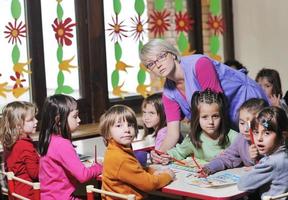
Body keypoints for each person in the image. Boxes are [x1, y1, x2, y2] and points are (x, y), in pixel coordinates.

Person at [139, 39, 269, 154]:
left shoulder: (199, 64)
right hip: (220, 120)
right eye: (151, 64)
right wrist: (158, 153)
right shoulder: (168, 93)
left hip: (245, 100)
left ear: (172, 54)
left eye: (161, 57)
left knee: (262, 143)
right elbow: (173, 134)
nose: (158, 65)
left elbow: (216, 107)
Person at [100, 105, 174, 200]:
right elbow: (149, 184)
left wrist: (152, 171)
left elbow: (135, 170)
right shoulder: (120, 158)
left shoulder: (117, 149)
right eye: (119, 126)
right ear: (108, 132)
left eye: (130, 125)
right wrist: (168, 176)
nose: (127, 130)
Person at [38, 94, 102, 199]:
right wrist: (100, 167)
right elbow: (83, 175)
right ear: (58, 120)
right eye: (75, 116)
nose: (79, 120)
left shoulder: (50, 139)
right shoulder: (62, 144)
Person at [157, 89, 238, 164]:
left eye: (215, 116)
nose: (211, 122)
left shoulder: (234, 137)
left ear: (222, 116)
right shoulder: (192, 139)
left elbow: (246, 157)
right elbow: (178, 152)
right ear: (197, 118)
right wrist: (165, 157)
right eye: (204, 117)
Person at [201, 98, 269, 175]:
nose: (245, 129)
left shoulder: (270, 140)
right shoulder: (241, 139)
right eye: (242, 123)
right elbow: (228, 158)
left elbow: (278, 164)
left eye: (251, 124)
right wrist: (209, 168)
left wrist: (258, 163)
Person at [238, 106, 288, 199]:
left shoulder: (271, 162)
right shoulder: (283, 156)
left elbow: (243, 184)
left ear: (283, 136)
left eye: (267, 133)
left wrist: (255, 170)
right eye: (256, 132)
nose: (259, 138)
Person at [0, 101, 39, 199]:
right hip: (30, 194)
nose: (36, 121)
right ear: (18, 125)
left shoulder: (10, 142)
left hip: (16, 192)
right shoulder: (24, 145)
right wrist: (48, 161)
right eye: (31, 119)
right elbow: (35, 173)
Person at [134, 93, 168, 166]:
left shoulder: (163, 132)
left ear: (163, 113)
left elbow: (157, 158)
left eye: (151, 113)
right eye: (144, 112)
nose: (146, 117)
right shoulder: (163, 129)